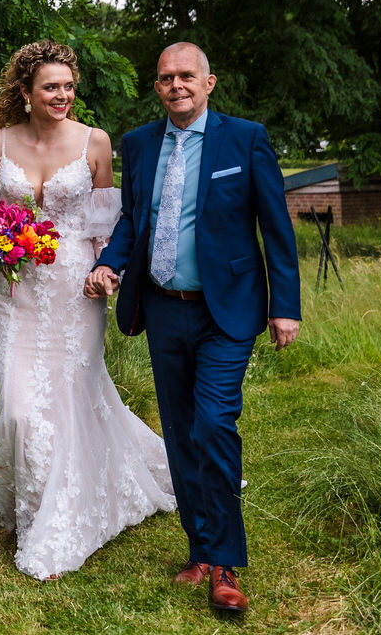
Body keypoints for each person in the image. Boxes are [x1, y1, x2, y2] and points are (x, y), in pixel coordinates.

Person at [83, 42, 301, 614]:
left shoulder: (245, 138)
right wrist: (109, 261)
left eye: (186, 76)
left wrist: (287, 305)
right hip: (161, 306)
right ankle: (200, 548)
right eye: (164, 78)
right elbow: (134, 218)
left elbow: (275, 225)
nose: (175, 85)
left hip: (225, 310)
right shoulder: (139, 144)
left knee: (213, 424)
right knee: (180, 432)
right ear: (157, 87)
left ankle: (226, 563)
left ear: (209, 83)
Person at [0, 40, 177, 581]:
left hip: (76, 288)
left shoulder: (95, 143)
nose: (62, 95)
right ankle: (27, 501)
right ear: (26, 93)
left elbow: (109, 224)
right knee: (17, 405)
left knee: (68, 395)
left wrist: (110, 276)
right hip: (16, 293)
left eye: (68, 86)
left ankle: (57, 519)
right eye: (50, 87)